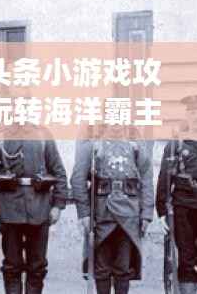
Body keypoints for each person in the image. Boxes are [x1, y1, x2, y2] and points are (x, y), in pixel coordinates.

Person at [0, 123, 68, 294]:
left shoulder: (43, 135)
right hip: (8, 210)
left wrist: (58, 205)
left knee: (37, 267)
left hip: (39, 208)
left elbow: (59, 172)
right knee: (12, 266)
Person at [71, 124, 154, 294]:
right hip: (101, 215)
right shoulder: (92, 145)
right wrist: (84, 213)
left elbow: (147, 179)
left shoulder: (136, 146)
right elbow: (78, 179)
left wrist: (146, 213)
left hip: (129, 215)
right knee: (101, 268)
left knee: (123, 268)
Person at [156, 94, 197, 294]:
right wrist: (162, 211)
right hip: (183, 208)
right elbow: (164, 179)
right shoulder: (176, 145)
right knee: (185, 257)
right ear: (187, 116)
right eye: (194, 113)